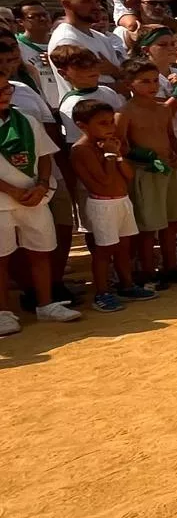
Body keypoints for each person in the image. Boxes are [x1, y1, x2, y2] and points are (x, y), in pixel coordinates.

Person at [0, 79, 81, 331]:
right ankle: (3, 313)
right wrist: (12, 190)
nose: (5, 94)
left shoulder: (26, 119)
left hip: (34, 197)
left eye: (7, 88)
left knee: (40, 251)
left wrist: (43, 184)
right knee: (1, 257)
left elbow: (45, 155)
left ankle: (46, 304)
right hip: (2, 202)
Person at [68, 100, 158, 312]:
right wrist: (109, 155)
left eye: (111, 122)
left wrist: (117, 155)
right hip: (102, 204)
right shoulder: (81, 149)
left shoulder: (110, 144)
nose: (110, 127)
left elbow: (128, 174)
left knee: (124, 249)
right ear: (82, 126)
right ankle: (102, 293)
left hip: (122, 201)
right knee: (103, 251)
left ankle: (127, 285)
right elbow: (104, 181)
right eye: (103, 123)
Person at [116, 58, 177, 287]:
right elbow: (121, 145)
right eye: (144, 82)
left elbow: (170, 135)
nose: (152, 86)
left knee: (172, 221)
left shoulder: (162, 109)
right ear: (129, 84)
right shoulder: (125, 112)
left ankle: (170, 266)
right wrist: (144, 156)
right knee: (149, 225)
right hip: (145, 172)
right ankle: (147, 270)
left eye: (154, 81)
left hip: (168, 170)